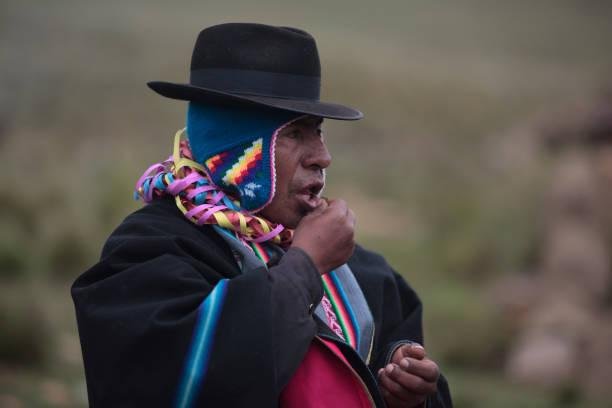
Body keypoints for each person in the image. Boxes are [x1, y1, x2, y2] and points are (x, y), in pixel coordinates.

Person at [71, 23, 453, 408]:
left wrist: (407, 392)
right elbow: (175, 387)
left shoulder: (362, 273)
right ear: (236, 150)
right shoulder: (147, 255)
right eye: (295, 134)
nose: (322, 156)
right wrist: (303, 265)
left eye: (318, 131)